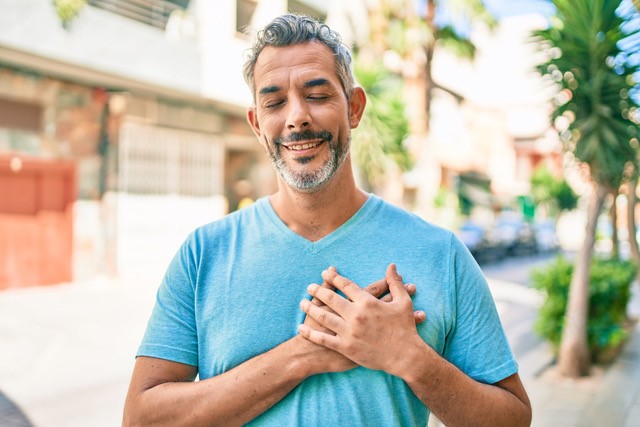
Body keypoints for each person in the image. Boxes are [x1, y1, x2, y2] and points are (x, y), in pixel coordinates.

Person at [123, 13, 532, 427]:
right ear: (257, 125)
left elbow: (512, 418)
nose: (297, 117)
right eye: (274, 102)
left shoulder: (440, 253)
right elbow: (141, 420)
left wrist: (408, 357)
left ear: (354, 107)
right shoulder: (203, 254)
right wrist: (303, 355)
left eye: (317, 95)